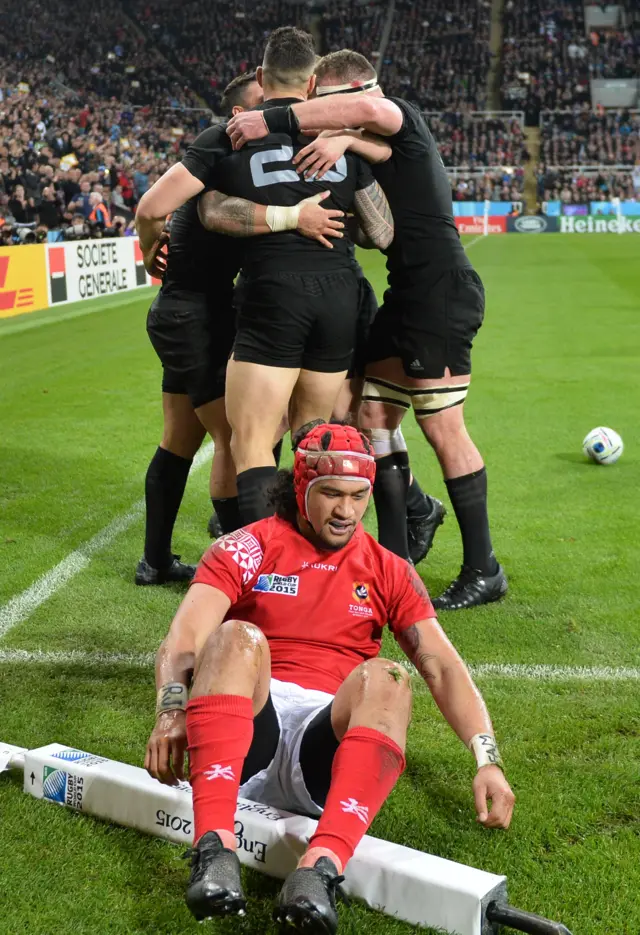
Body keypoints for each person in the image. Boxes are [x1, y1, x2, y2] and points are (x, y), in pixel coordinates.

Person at [145, 422, 515, 933]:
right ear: (301, 489)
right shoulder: (248, 547)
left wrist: (487, 758)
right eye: (331, 494)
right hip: (245, 732)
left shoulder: (388, 569)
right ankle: (214, 851)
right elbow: (185, 635)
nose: (346, 511)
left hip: (326, 751)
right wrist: (170, 712)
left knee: (389, 674)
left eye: (359, 495)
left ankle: (320, 871)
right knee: (235, 636)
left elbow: (442, 665)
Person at [226, 50, 506, 609]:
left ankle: (484, 568)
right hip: (404, 294)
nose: (321, 118)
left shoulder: (401, 115)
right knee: (370, 415)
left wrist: (273, 120)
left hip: (439, 294)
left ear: (356, 93)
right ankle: (397, 556)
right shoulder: (375, 143)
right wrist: (345, 140)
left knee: (444, 428)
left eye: (326, 106)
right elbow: (370, 146)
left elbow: (367, 116)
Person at [137, 72, 348, 584]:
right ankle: (250, 566)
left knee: (178, 440)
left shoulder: (234, 160)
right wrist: (149, 252)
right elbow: (154, 210)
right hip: (194, 316)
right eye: (261, 108)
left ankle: (157, 561)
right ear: (237, 115)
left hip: (189, 311)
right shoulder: (220, 152)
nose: (272, 121)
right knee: (236, 438)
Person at [196, 27, 393, 527]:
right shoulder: (335, 140)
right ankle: (308, 563)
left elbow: (210, 211)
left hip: (273, 291)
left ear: (261, 79)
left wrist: (278, 213)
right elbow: (382, 231)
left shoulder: (234, 134)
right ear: (312, 87)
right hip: (338, 295)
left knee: (255, 440)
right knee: (313, 434)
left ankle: (259, 573)